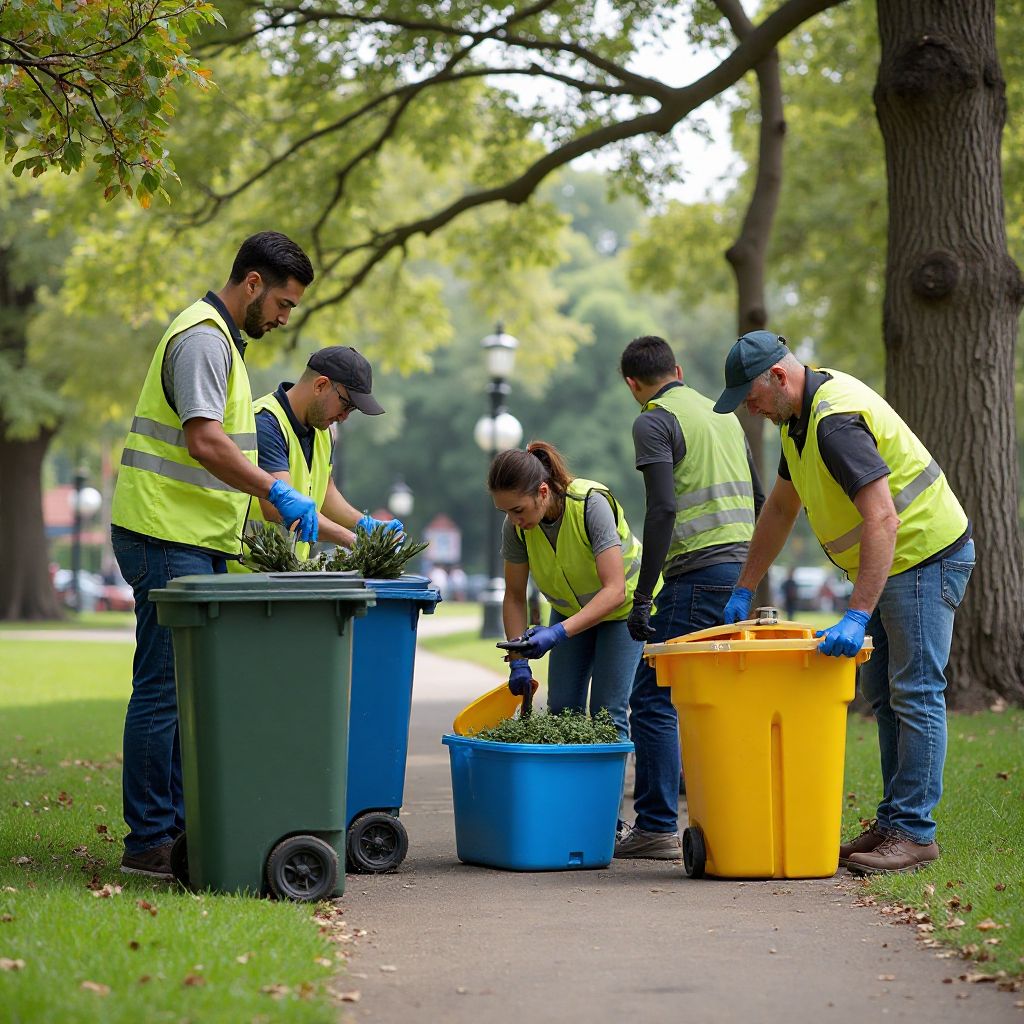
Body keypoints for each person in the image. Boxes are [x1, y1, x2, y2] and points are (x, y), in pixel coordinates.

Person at [714, 331, 974, 875]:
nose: (750, 408)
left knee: (915, 692)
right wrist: (745, 583)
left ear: (779, 377)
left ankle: (915, 834)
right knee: (882, 696)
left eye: (752, 396)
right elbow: (781, 510)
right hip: (891, 562)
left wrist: (856, 613)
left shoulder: (834, 422)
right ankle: (893, 822)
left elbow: (882, 517)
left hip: (923, 553)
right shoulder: (797, 423)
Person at [110, 231, 320, 880]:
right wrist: (275, 489)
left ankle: (173, 831)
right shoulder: (204, 337)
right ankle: (149, 840)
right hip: (165, 536)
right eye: (283, 302)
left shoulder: (224, 341)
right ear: (251, 284)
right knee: (164, 692)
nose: (286, 317)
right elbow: (204, 443)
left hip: (190, 538)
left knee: (185, 694)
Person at [615, 336, 763, 860]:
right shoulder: (725, 415)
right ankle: (729, 812)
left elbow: (662, 510)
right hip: (740, 571)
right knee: (716, 701)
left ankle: (655, 825)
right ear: (677, 369)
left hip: (695, 575)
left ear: (632, 383)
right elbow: (762, 499)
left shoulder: (653, 420)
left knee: (654, 698)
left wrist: (643, 597)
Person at [487, 441, 652, 741]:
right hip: (570, 613)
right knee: (561, 710)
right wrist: (517, 658)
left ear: (543, 492)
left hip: (623, 611)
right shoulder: (515, 527)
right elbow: (513, 595)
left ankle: (604, 790)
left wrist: (557, 633)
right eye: (506, 511)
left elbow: (614, 590)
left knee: (606, 712)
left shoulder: (591, 504)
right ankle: (570, 789)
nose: (514, 520)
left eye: (518, 510)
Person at [239, 346, 401, 563]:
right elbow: (280, 510)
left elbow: (325, 492)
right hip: (246, 574)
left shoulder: (323, 431)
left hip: (282, 573)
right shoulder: (266, 423)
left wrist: (365, 524)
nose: (344, 417)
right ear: (321, 385)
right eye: (346, 404)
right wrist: (353, 540)